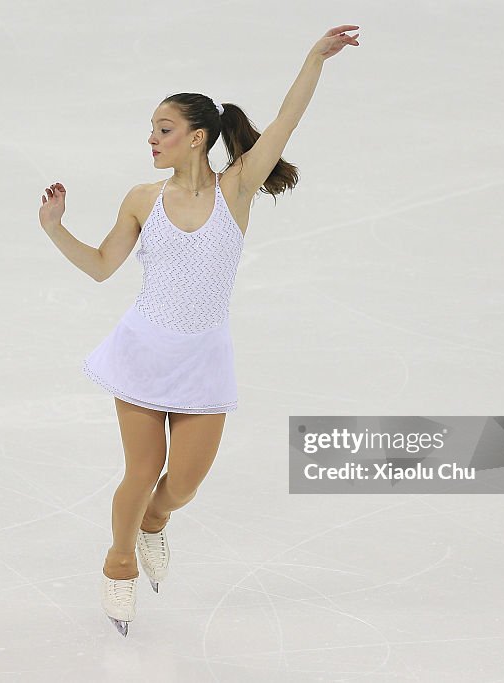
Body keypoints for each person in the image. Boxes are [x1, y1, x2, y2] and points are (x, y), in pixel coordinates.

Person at [38, 25, 360, 636]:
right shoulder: (141, 198)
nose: (152, 138)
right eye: (152, 129)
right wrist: (56, 227)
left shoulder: (236, 188)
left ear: (198, 138)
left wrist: (314, 58)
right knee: (141, 468)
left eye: (164, 129)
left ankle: (155, 525)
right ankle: (119, 563)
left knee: (179, 487)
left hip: (204, 359)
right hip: (141, 352)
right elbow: (104, 267)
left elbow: (286, 122)